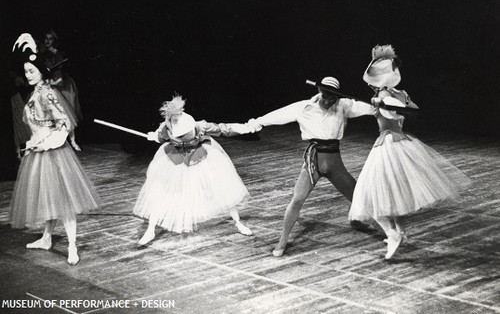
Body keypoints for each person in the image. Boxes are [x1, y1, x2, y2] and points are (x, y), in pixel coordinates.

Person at [349, 45, 471, 259]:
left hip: (388, 144)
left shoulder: (385, 95)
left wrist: (383, 103)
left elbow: (398, 110)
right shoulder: (400, 93)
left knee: (370, 197)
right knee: (396, 194)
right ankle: (400, 233)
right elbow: (411, 109)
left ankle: (392, 233)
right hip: (401, 143)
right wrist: (386, 103)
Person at [245, 77, 375, 257]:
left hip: (334, 162)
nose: (329, 100)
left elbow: (370, 108)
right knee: (297, 199)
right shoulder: (304, 107)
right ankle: (283, 239)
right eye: (326, 96)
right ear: (321, 92)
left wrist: (380, 104)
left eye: (333, 97)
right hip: (313, 161)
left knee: (358, 196)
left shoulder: (344, 105)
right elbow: (278, 115)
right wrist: (256, 123)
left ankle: (366, 224)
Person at [9, 33, 100, 265]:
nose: (28, 75)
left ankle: (71, 246)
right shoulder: (34, 95)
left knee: (64, 201)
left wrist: (45, 142)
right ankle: (47, 238)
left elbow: (64, 124)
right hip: (39, 152)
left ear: (41, 70)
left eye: (31, 71)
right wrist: (33, 144)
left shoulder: (48, 93)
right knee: (49, 199)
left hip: (54, 152)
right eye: (26, 72)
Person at [133, 95, 253, 245]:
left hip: (200, 156)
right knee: (162, 192)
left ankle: (238, 222)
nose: (183, 135)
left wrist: (246, 128)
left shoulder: (200, 126)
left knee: (221, 188)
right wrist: (155, 137)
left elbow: (223, 129)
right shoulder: (166, 127)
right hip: (175, 158)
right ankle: (150, 230)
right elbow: (161, 137)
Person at [41, 29, 82, 150]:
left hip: (61, 84)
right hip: (48, 84)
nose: (48, 41)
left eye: (50, 39)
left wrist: (55, 81)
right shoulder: (42, 55)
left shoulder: (58, 54)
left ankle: (73, 141)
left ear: (54, 41)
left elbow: (58, 71)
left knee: (67, 113)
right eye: (46, 38)